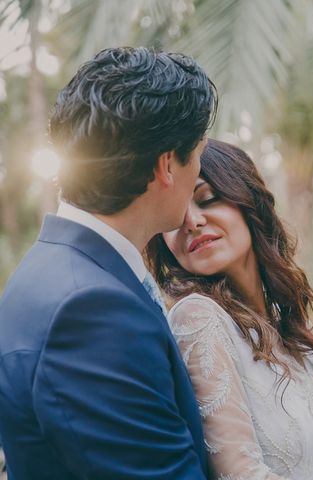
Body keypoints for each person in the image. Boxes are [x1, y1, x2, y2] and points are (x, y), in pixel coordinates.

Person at [0, 47, 217, 479]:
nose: (199, 171)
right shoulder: (91, 310)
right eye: (197, 154)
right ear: (166, 165)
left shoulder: (56, 270)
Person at [146, 139, 313, 479]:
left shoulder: (289, 326)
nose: (192, 222)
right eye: (172, 216)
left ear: (248, 200)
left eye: (207, 198)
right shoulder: (197, 317)